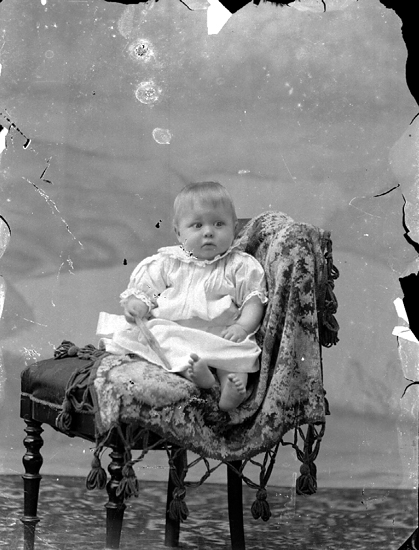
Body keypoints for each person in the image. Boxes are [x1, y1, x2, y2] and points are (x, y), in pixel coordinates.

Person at [100, 182, 268, 411]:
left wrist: (242, 327)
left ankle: (232, 390)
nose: (208, 232)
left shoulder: (240, 265)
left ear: (234, 228)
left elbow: (253, 301)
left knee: (239, 353)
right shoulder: (168, 263)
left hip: (221, 333)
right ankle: (199, 376)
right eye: (197, 225)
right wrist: (137, 305)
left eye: (219, 224)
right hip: (176, 330)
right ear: (178, 232)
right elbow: (144, 289)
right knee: (163, 341)